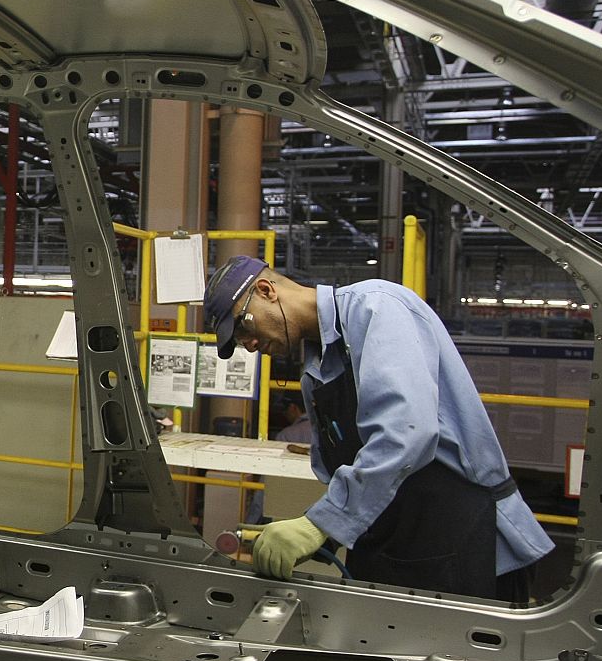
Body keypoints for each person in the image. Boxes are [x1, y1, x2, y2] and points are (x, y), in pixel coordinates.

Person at [203, 254, 552, 599]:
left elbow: (406, 432)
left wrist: (320, 523)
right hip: (397, 542)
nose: (248, 345)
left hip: (464, 541)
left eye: (244, 326)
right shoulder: (315, 370)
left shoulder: (376, 308)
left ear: (266, 291)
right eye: (237, 342)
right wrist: (326, 532)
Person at [244, 391, 312, 524]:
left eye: (285, 410)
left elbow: (266, 486)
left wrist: (249, 523)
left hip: (287, 512)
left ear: (293, 408)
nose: (284, 414)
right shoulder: (327, 431)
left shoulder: (287, 436)